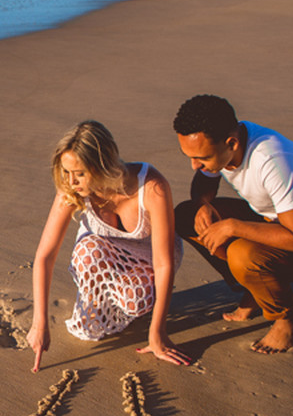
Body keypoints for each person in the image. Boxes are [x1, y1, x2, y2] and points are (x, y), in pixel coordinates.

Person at [172, 95, 293, 354]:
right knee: (186, 215)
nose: (194, 164)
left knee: (242, 255)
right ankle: (255, 288)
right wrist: (203, 203)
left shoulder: (272, 161)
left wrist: (232, 227)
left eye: (201, 157)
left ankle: (288, 317)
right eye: (189, 156)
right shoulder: (225, 139)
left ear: (231, 143)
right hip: (274, 222)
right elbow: (204, 181)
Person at [28, 120, 187, 371]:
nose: (71, 181)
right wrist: (40, 325)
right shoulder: (71, 188)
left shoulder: (152, 186)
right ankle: (108, 301)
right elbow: (45, 256)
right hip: (101, 254)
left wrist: (158, 333)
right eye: (67, 172)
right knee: (87, 252)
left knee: (134, 299)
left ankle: (136, 302)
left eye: (80, 173)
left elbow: (163, 262)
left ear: (103, 166)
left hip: (149, 256)